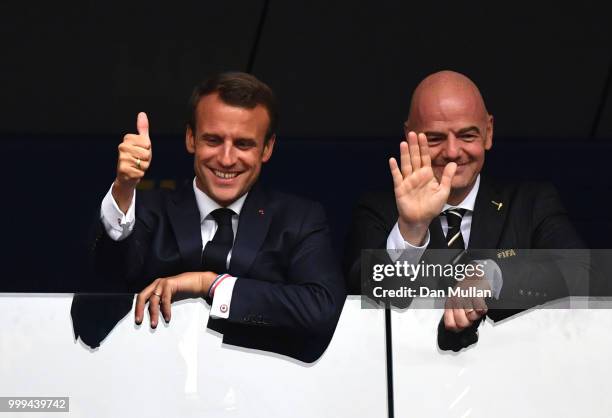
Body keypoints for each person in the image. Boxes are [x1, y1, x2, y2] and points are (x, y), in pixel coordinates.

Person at [84, 72, 346, 362]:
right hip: (152, 397)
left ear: (267, 148)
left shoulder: (299, 219)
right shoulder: (143, 211)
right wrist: (123, 189)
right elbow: (92, 317)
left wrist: (209, 284)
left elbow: (320, 311)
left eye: (244, 144)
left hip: (258, 399)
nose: (226, 158)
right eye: (213, 140)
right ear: (190, 138)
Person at [344, 70, 585, 350]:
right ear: (410, 136)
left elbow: (581, 272)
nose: (453, 151)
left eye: (467, 135)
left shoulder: (531, 203)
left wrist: (490, 276)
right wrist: (411, 230)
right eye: (434, 138)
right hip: (414, 381)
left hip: (518, 378)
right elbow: (363, 292)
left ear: (488, 132)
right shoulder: (379, 211)